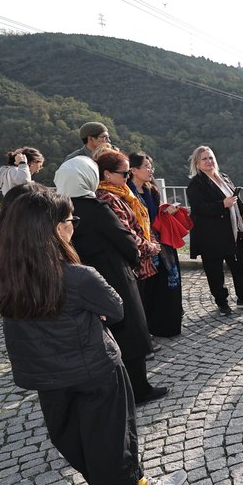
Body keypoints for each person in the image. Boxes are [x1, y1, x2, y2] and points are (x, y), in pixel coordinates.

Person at [0, 187, 186, 485]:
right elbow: (115, 309)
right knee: (110, 439)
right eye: (71, 220)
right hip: (95, 369)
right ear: (55, 228)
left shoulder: (10, 276)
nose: (74, 226)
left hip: (48, 377)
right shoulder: (78, 276)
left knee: (77, 439)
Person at [54, 156, 166, 406]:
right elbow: (126, 241)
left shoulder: (59, 209)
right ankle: (139, 389)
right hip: (114, 275)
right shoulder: (96, 208)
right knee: (131, 331)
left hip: (79, 278)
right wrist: (136, 259)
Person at [186, 145, 243, 314]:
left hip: (233, 232)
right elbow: (199, 209)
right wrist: (222, 205)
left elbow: (235, 198)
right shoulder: (196, 185)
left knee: (240, 266)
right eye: (204, 159)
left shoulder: (224, 177)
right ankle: (222, 303)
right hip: (211, 236)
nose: (209, 161)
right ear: (197, 163)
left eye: (211, 157)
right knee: (215, 272)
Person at [128, 152, 185, 337]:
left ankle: (167, 324)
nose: (150, 170)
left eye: (151, 166)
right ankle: (150, 326)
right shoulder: (126, 192)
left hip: (162, 243)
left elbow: (155, 215)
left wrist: (167, 212)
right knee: (150, 287)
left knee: (168, 282)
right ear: (133, 170)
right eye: (146, 166)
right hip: (143, 244)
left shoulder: (151, 190)